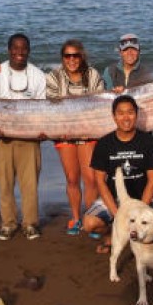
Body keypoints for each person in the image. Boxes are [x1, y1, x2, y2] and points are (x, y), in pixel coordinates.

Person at [83, 95, 153, 254]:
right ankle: (111, 235)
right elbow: (100, 182)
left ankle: (141, 239)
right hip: (115, 198)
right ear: (114, 116)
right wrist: (118, 216)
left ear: (136, 115)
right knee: (89, 223)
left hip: (143, 197)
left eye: (130, 112)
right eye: (121, 113)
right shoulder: (104, 144)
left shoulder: (149, 142)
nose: (126, 117)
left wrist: (141, 211)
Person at [0, 33, 47, 241]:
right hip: (2, 138)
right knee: (5, 183)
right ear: (9, 49)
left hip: (30, 139)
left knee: (30, 184)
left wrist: (41, 131)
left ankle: (30, 223)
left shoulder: (38, 75)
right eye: (15, 48)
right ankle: (8, 222)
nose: (20, 52)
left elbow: (42, 109)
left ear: (29, 50)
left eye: (24, 48)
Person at [46, 39, 105, 235]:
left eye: (75, 55)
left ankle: (91, 217)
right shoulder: (54, 76)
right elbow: (51, 107)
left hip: (88, 132)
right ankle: (75, 218)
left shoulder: (93, 75)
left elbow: (99, 104)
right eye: (67, 56)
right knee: (72, 178)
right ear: (63, 58)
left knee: (91, 179)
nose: (72, 60)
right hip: (64, 133)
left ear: (82, 56)